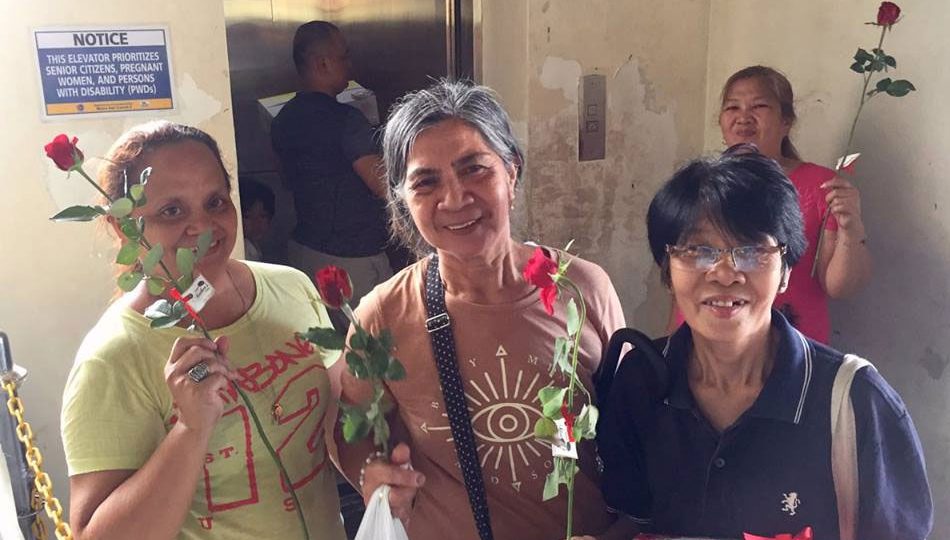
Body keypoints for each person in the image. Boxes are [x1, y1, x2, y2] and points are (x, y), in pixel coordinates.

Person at [330, 80, 624, 539]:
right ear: (403, 199)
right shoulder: (382, 316)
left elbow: (629, 432)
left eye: (475, 170)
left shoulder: (583, 288)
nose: (455, 198)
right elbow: (351, 425)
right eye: (426, 182)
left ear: (511, 171)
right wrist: (373, 471)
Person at [592, 150, 931, 539]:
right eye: (698, 251)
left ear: (786, 271)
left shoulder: (854, 400)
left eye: (751, 251)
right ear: (667, 271)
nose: (724, 273)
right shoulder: (641, 381)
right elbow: (631, 520)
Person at [61, 121, 346, 540]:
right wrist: (190, 430)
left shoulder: (290, 286)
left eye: (215, 202)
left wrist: (377, 456)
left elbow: (335, 414)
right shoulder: (113, 357)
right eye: (171, 211)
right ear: (126, 227)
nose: (203, 226)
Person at [668, 66, 872, 343]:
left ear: (786, 121)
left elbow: (840, 287)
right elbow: (682, 277)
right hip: (701, 342)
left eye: (759, 106)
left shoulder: (822, 185)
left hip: (791, 345)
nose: (743, 117)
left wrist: (851, 226)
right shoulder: (702, 182)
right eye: (732, 108)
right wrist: (669, 348)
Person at [271, 20, 393, 308]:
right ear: (323, 63)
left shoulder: (282, 121)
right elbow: (382, 185)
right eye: (344, 56)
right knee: (371, 346)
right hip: (354, 258)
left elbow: (285, 179)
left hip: (304, 251)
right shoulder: (347, 120)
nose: (350, 66)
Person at [238, 177, 275, 261]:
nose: (256, 223)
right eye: (247, 216)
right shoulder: (243, 250)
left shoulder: (254, 247)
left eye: (263, 216)